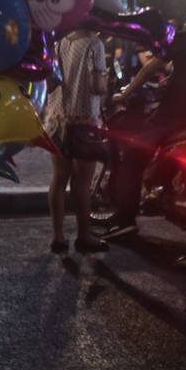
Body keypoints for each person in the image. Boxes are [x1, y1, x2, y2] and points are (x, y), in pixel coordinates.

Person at [104, 0, 186, 236]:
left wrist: (125, 94)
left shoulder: (180, 39)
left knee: (133, 155)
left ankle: (126, 218)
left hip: (174, 114)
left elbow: (151, 67)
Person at [44, 28, 110, 254]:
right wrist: (108, 90)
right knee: (82, 183)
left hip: (57, 120)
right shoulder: (95, 44)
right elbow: (96, 86)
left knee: (59, 179)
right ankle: (83, 236)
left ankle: (58, 236)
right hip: (83, 122)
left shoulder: (60, 43)